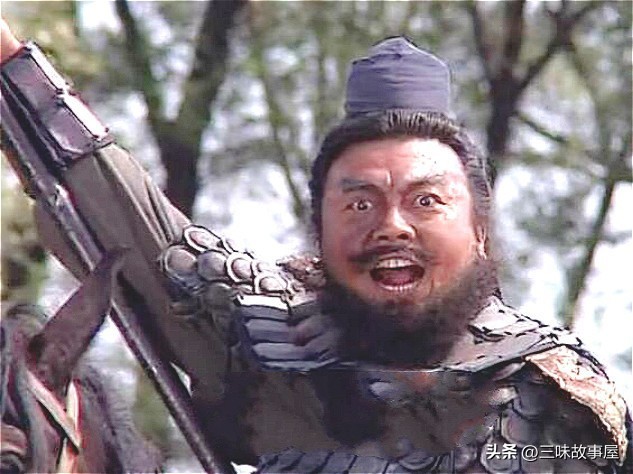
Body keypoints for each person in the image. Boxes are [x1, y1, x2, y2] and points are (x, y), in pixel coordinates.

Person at [1, 19, 630, 474]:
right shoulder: (268, 341)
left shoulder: (552, 402)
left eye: (425, 201)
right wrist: (10, 62)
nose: (391, 226)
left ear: (480, 229)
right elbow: (113, 204)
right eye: (359, 203)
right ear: (320, 234)